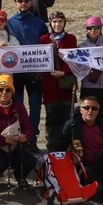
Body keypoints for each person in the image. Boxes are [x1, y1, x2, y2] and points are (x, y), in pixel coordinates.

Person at [6, 0, 49, 146]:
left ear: (30, 2)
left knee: (35, 106)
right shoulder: (9, 23)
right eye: (20, 0)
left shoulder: (40, 23)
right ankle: (20, 139)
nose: (23, 3)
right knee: (17, 107)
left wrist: (42, 69)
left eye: (26, 0)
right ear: (16, 3)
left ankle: (32, 138)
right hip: (16, 72)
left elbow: (46, 47)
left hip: (34, 72)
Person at [0, 75, 36, 190]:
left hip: (16, 147)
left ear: (12, 92)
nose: (4, 92)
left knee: (30, 161)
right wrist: (3, 140)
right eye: (1, 89)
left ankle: (20, 176)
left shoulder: (19, 107)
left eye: (8, 90)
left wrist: (25, 136)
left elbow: (28, 127)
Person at [39, 11, 78, 150]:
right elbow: (40, 60)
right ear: (50, 23)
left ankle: (65, 146)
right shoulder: (44, 39)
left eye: (60, 21)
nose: (57, 24)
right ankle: (52, 147)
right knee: (51, 117)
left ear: (64, 23)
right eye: (54, 21)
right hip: (49, 84)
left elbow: (74, 59)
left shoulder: (71, 39)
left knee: (67, 117)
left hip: (66, 84)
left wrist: (64, 72)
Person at [78, 16, 103, 124]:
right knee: (90, 117)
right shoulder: (82, 47)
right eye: (90, 28)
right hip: (89, 87)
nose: (93, 30)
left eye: (96, 27)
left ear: (100, 28)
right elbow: (77, 66)